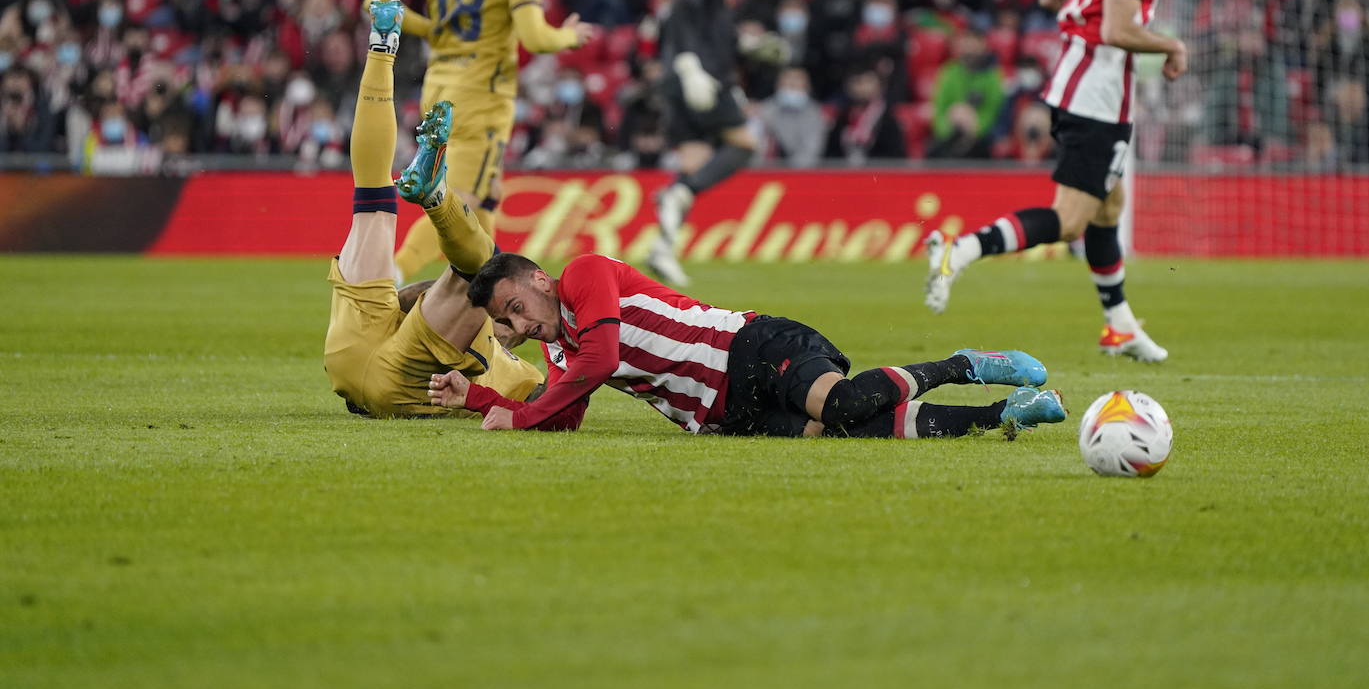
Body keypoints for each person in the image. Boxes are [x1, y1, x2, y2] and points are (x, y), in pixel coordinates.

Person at [923, 0, 1187, 363]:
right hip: (1099, 101)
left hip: (1069, 86)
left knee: (1109, 206)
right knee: (1070, 221)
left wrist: (1079, 18)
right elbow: (1116, 29)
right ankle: (961, 249)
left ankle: (1120, 326)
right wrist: (1173, 47)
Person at [427, 250, 1066, 439]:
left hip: (746, 347)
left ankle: (967, 364)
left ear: (539, 280)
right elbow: (564, 411)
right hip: (723, 415)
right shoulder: (562, 349)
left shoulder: (584, 276)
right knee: (847, 432)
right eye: (507, 323)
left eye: (517, 307)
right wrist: (475, 397)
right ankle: (1001, 416)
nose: (520, 325)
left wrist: (518, 414)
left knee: (841, 404)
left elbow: (603, 360)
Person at [369, 0, 597, 280]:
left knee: (486, 198)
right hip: (481, 95)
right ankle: (388, 278)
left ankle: (490, 296)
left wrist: (430, 30)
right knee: (460, 199)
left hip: (438, 86)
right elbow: (535, 38)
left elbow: (376, 1)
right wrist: (567, 36)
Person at [322, 0, 545, 418]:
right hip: (399, 380)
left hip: (359, 355)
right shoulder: (520, 373)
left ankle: (382, 45)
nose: (512, 320)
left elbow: (415, 299)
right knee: (380, 201)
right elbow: (547, 403)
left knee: (373, 196)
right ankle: (383, 50)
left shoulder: (509, 349)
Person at [646, 0, 760, 286]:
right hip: (700, 76)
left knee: (694, 163)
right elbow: (680, 13)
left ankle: (663, 247)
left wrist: (742, 45)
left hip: (690, 77)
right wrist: (690, 64)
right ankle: (678, 195)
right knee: (744, 144)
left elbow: (707, 25)